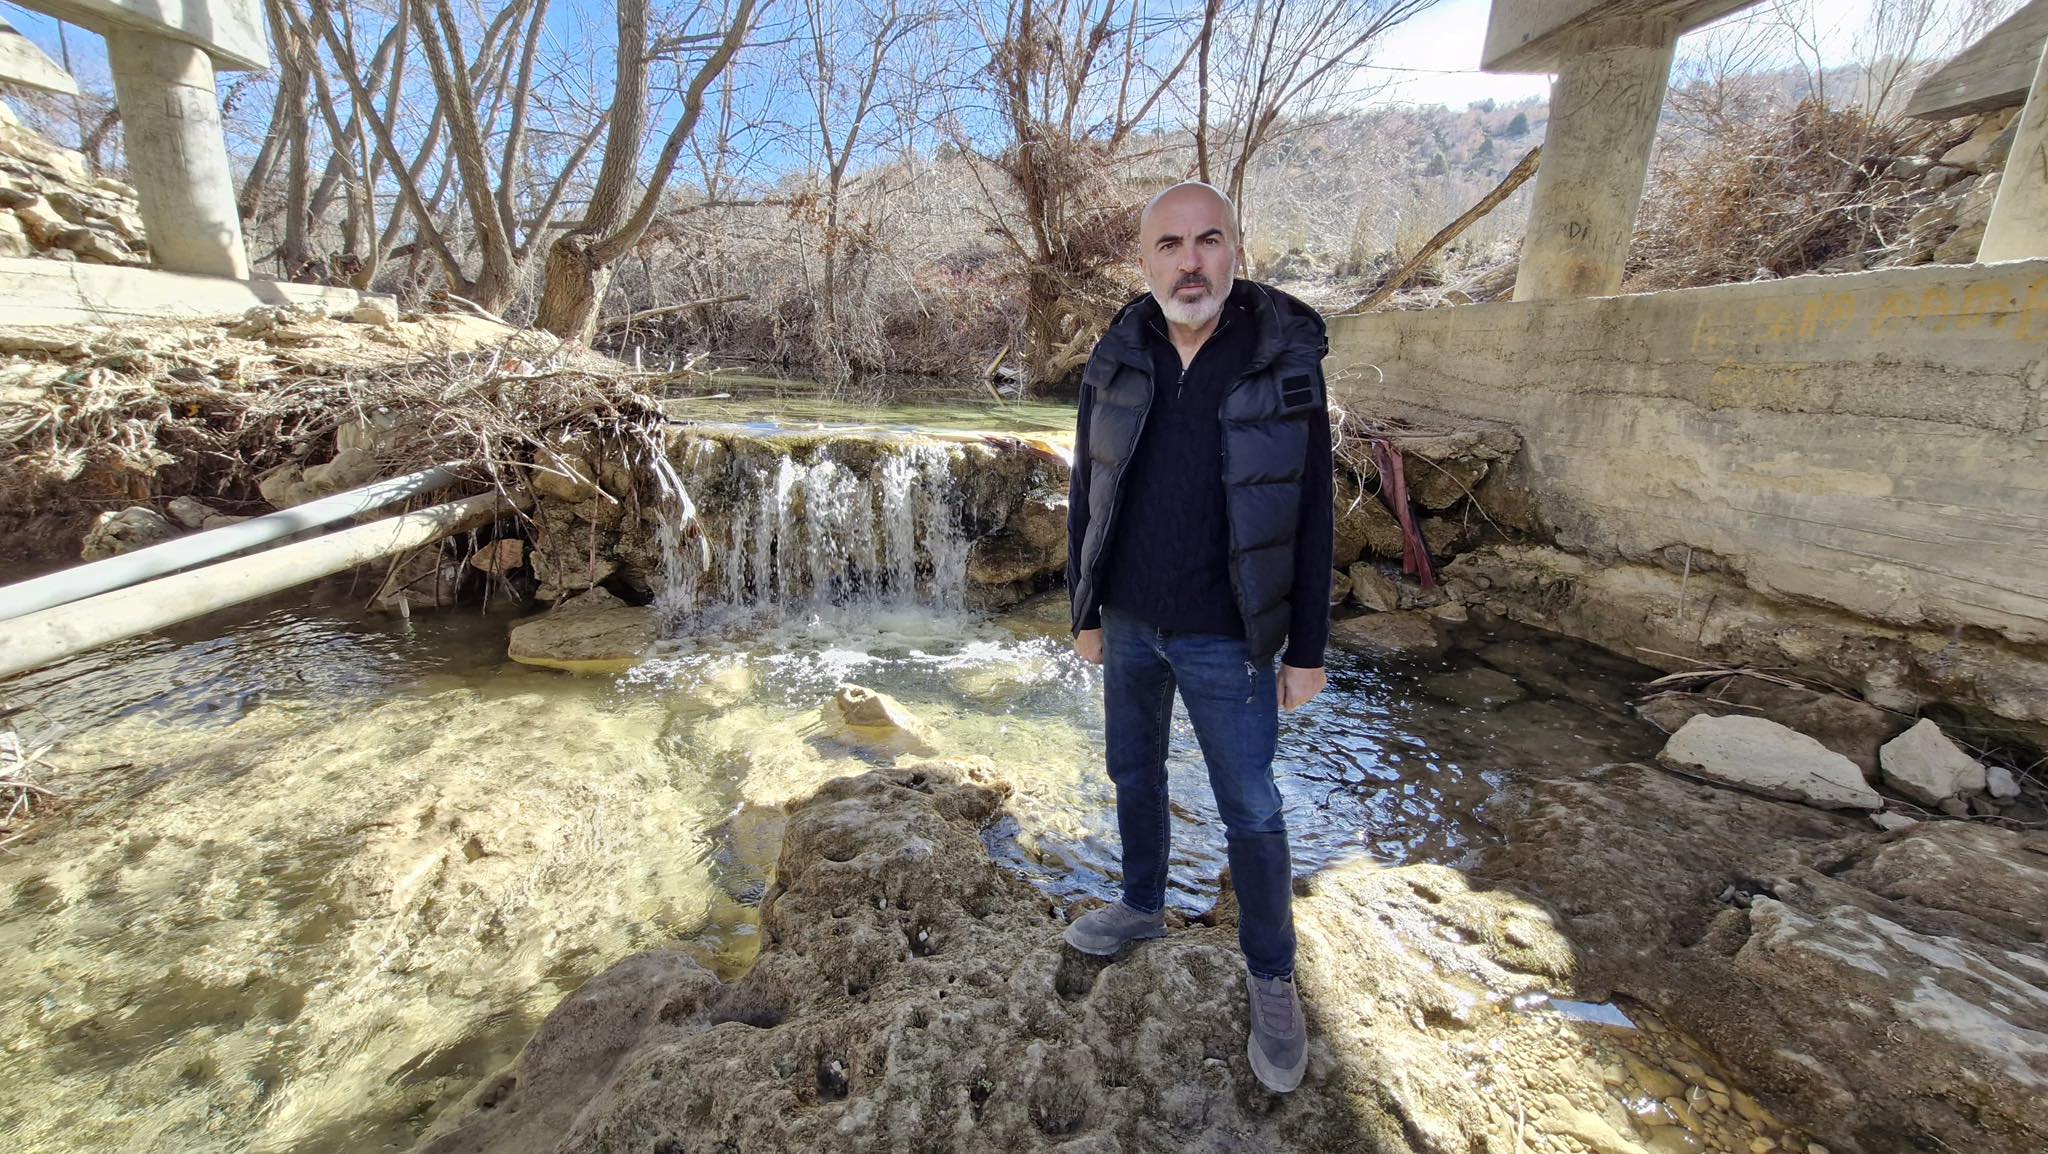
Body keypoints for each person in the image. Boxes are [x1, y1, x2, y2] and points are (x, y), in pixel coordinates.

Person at [1062, 180, 1333, 1093]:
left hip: (1233, 634)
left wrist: (1308, 648)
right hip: (1131, 619)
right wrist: (1085, 611)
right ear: (1144, 261)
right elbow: (1088, 489)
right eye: (1171, 245)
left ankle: (1272, 974)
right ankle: (1141, 904)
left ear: (1235, 251)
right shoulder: (1116, 353)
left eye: (1208, 240)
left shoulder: (1281, 356)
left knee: (1249, 804)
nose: (1191, 262)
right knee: (1132, 772)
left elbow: (1312, 510)